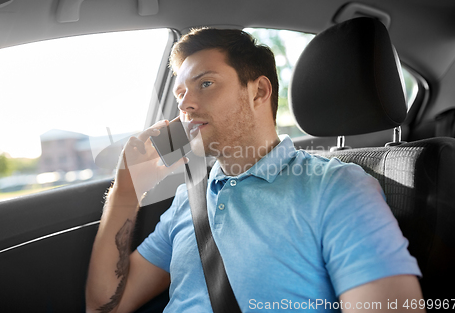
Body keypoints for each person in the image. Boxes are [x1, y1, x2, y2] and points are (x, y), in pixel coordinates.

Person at [85, 28, 424, 313]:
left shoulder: (336, 188)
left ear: (259, 91)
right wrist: (125, 192)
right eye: (180, 94)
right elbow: (106, 306)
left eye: (205, 84)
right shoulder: (187, 202)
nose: (186, 105)